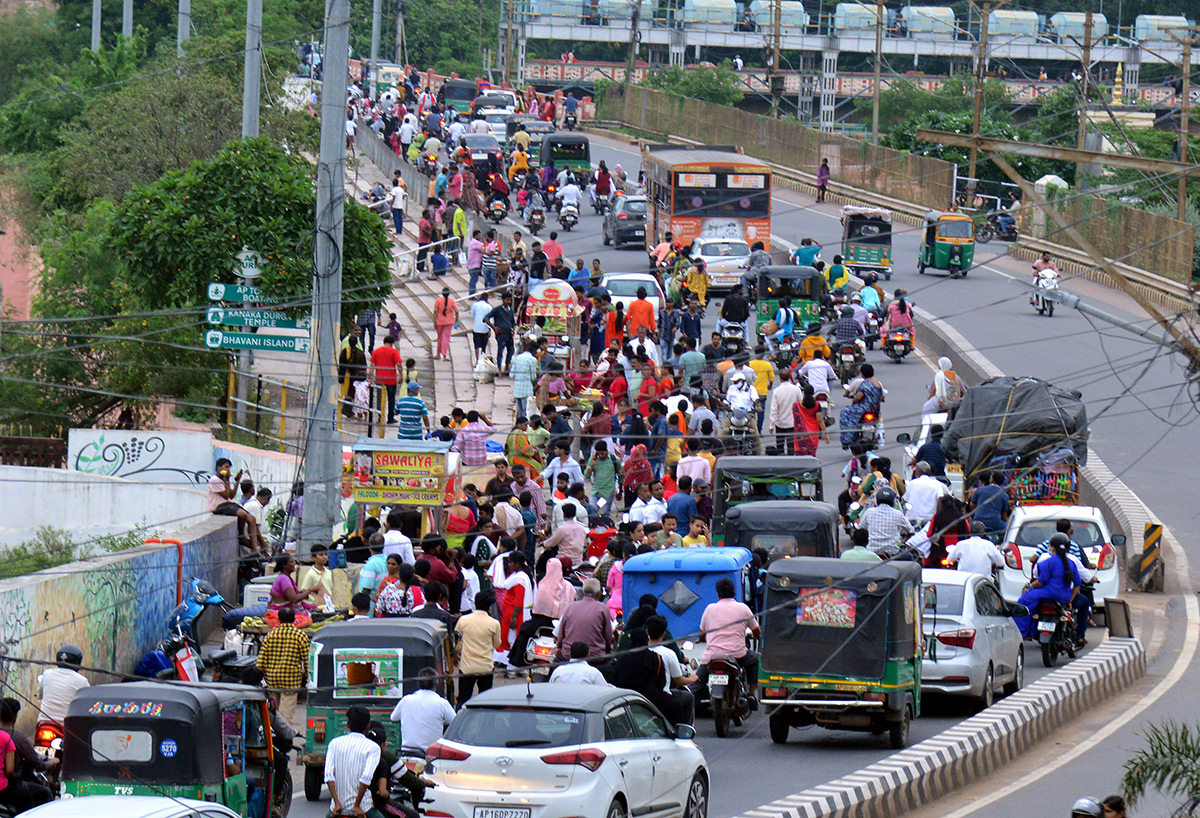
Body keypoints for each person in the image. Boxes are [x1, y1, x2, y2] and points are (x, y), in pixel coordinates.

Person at [694, 578, 760, 698]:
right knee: (754, 660)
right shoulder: (743, 608)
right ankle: (751, 694)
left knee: (696, 683)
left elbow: (701, 636)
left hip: (712, 657)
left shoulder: (710, 609)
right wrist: (755, 636)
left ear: (718, 594)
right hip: (737, 655)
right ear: (734, 592)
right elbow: (756, 630)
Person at [1014, 534, 1081, 639]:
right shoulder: (1072, 563)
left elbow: (1041, 582)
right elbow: (1077, 585)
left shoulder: (1048, 562)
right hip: (1064, 597)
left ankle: (1021, 634)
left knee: (1023, 604)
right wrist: (1070, 601)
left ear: (1052, 547)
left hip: (1047, 594)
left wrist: (1030, 585)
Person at [325, 705, 382, 818]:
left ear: (348, 725)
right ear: (368, 726)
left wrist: (337, 803)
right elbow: (366, 778)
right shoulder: (373, 747)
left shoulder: (334, 743)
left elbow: (328, 775)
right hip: (364, 808)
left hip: (337, 809)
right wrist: (356, 806)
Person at [256, 606, 310, 726]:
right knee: (285, 717)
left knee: (272, 714)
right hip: (291, 683)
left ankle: (272, 737)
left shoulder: (270, 636)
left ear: (279, 619)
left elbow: (261, 661)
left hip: (272, 680)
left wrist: (262, 677)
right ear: (294, 619)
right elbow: (307, 661)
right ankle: (284, 740)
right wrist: (308, 678)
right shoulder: (300, 636)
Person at [0, 699, 52, 808]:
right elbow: (10, 771)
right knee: (42, 793)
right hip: (5, 786)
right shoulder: (14, 738)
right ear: (15, 717)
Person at [390, 668, 456, 751]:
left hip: (407, 752)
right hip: (431, 754)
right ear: (436, 684)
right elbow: (455, 722)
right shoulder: (441, 703)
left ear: (418, 683)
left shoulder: (406, 700)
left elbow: (393, 717)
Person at [456, 591, 501, 702]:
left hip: (467, 667)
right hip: (485, 667)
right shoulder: (494, 623)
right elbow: (496, 644)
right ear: (490, 606)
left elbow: (457, 640)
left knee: (463, 698)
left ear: (475, 603)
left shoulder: (463, 620)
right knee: (485, 700)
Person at [555, 578, 613, 661]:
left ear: (582, 592)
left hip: (568, 654)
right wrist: (609, 649)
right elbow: (608, 636)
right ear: (598, 594)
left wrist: (559, 646)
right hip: (595, 656)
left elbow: (561, 633)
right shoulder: (603, 609)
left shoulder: (571, 607)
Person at [36, 644, 89, 725]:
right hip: (68, 725)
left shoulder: (47, 674)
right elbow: (86, 704)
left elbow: (39, 695)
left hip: (45, 722)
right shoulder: (82, 681)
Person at [838, 363, 883, 450]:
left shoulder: (865, 384)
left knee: (845, 413)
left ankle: (848, 439)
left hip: (864, 408)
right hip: (875, 409)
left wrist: (854, 400)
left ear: (862, 374)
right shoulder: (878, 383)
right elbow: (882, 397)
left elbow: (858, 397)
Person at [859, 488, 913, 558]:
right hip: (893, 552)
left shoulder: (869, 512)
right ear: (893, 501)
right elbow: (911, 530)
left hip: (872, 550)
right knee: (909, 558)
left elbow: (861, 528)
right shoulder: (898, 514)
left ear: (878, 499)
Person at [904, 461, 947, 529]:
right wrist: (937, 517)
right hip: (929, 521)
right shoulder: (937, 484)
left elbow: (904, 500)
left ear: (920, 471)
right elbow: (940, 499)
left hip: (912, 521)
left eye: (916, 470)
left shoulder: (912, 483)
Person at [969, 471, 1010, 536]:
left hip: (978, 520)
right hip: (995, 524)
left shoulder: (980, 489)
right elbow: (1004, 515)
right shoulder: (1004, 495)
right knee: (1008, 529)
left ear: (992, 480)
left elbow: (972, 506)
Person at [432, 288, 458, 361]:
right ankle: (444, 355)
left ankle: (438, 354)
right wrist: (457, 320)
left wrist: (434, 322)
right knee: (446, 338)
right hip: (449, 321)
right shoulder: (452, 301)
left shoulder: (438, 301)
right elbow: (456, 311)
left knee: (440, 337)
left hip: (439, 321)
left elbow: (435, 311)